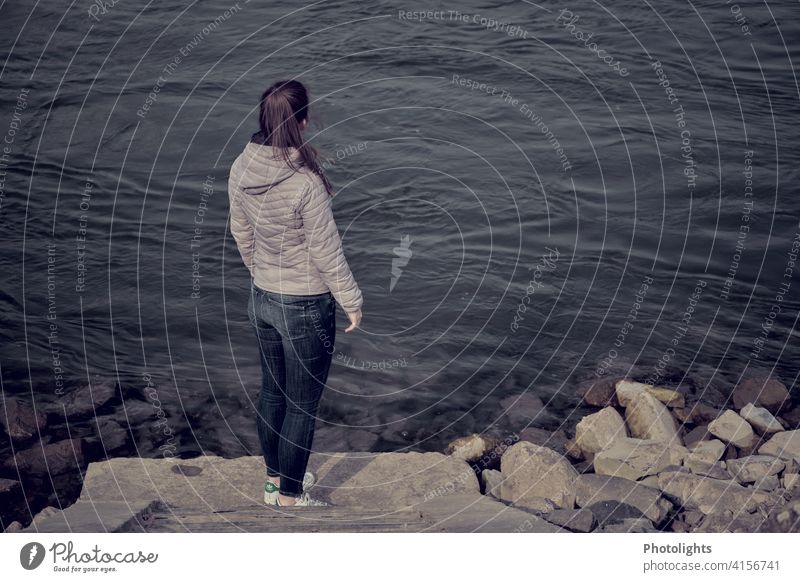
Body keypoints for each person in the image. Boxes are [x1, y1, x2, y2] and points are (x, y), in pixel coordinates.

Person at [228, 79, 363, 507]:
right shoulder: (304, 183)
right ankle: (289, 497)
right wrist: (352, 301)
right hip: (304, 305)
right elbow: (327, 252)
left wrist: (263, 276)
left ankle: (274, 482)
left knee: (272, 393)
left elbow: (241, 234)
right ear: (302, 122)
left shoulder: (240, 168)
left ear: (263, 120)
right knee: (302, 405)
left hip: (262, 298)